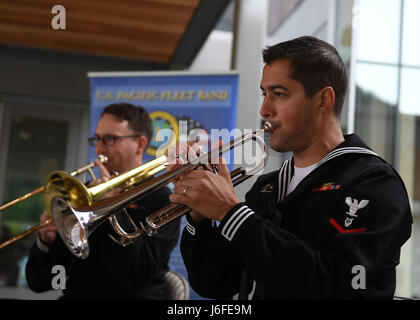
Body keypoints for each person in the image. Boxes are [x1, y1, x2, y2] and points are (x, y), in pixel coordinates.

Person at [169, 36, 413, 299]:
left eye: (279, 95)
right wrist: (200, 218)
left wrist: (231, 213)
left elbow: (338, 284)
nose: (264, 109)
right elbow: (215, 284)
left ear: (323, 100)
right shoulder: (267, 186)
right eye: (264, 94)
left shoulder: (374, 182)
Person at [25, 103, 180, 299]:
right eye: (97, 139)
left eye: (109, 139)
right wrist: (46, 243)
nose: (99, 148)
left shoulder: (163, 199)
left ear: (140, 144)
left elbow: (140, 276)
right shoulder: (84, 193)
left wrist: (113, 207)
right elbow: (40, 282)